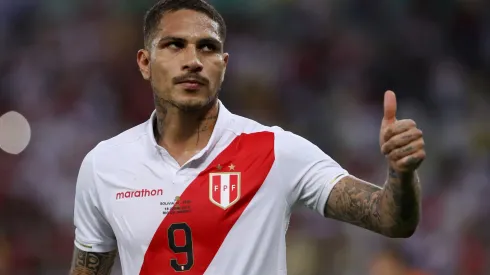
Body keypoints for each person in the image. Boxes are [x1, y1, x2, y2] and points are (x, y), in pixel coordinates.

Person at [70, 0, 426, 274]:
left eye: (207, 47)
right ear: (145, 62)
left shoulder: (276, 151)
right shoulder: (104, 165)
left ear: (223, 65)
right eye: (175, 45)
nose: (193, 60)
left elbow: (391, 219)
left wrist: (401, 173)